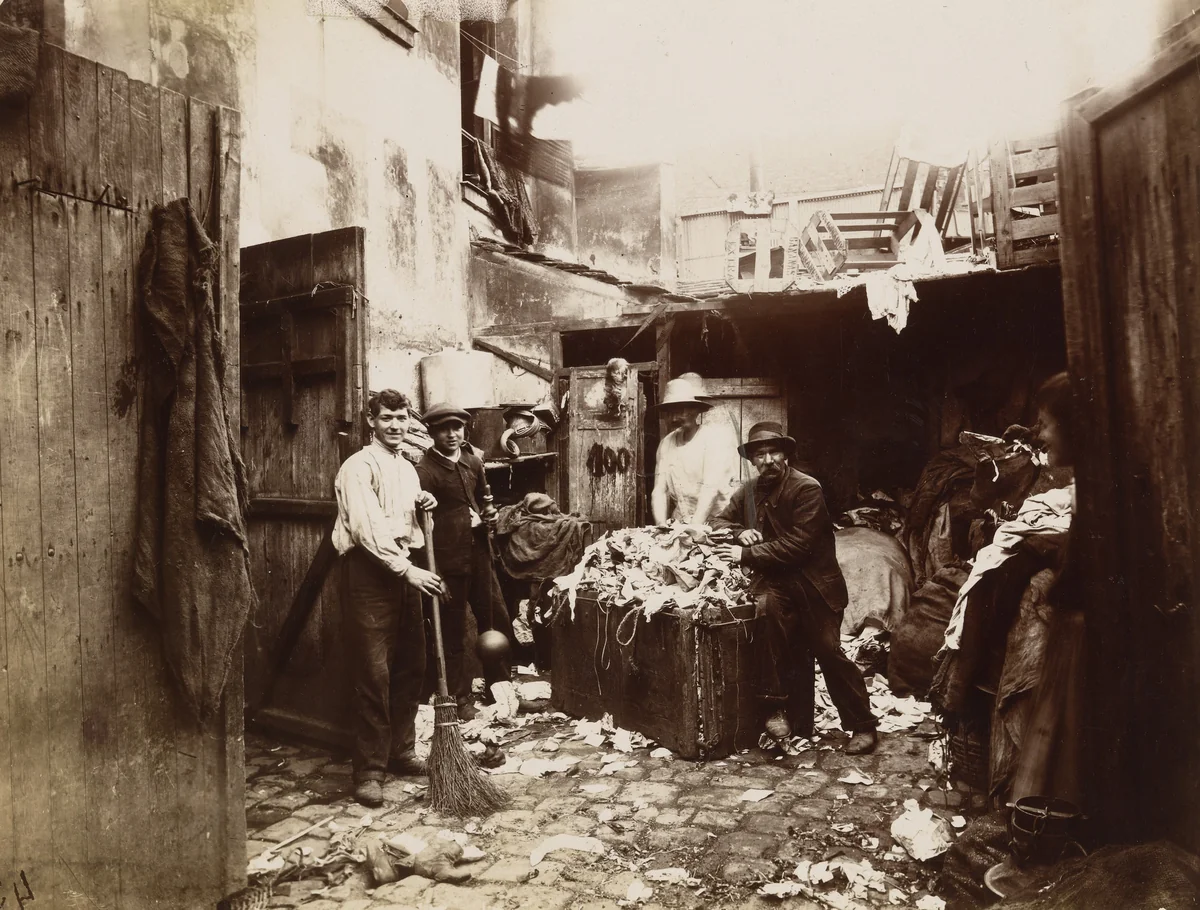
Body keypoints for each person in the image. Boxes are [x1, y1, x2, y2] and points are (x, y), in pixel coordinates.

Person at [713, 421, 878, 754]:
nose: (768, 459)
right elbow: (718, 522)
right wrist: (737, 533)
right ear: (752, 460)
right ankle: (780, 713)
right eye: (760, 454)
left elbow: (797, 546)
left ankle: (863, 726)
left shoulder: (806, 489)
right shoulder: (748, 491)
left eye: (774, 451)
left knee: (828, 652)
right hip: (777, 584)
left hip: (815, 587)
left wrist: (745, 553)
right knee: (768, 621)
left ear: (786, 455)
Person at [333, 389, 445, 807]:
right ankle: (370, 769)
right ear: (371, 422)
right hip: (370, 572)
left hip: (404, 569)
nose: (396, 426)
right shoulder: (357, 468)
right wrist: (408, 569)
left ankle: (400, 751)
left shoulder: (408, 468)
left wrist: (422, 502)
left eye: (401, 419)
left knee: (410, 666)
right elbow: (367, 530)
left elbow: (402, 519)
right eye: (387, 419)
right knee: (373, 673)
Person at [416, 403, 516, 720]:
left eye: (457, 427)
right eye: (444, 429)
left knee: (496, 620)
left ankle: (499, 689)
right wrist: (435, 573)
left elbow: (484, 497)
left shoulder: (473, 461)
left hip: (479, 554)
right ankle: (458, 699)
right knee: (452, 629)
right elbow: (420, 526)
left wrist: (488, 513)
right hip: (448, 563)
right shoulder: (424, 471)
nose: (452, 434)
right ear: (432, 433)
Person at [651, 375, 739, 526]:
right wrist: (661, 524)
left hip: (717, 521)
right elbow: (659, 490)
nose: (674, 417)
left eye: (680, 411)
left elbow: (710, 488)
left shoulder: (713, 439)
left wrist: (694, 528)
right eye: (670, 412)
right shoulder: (666, 443)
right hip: (682, 520)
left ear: (695, 410)